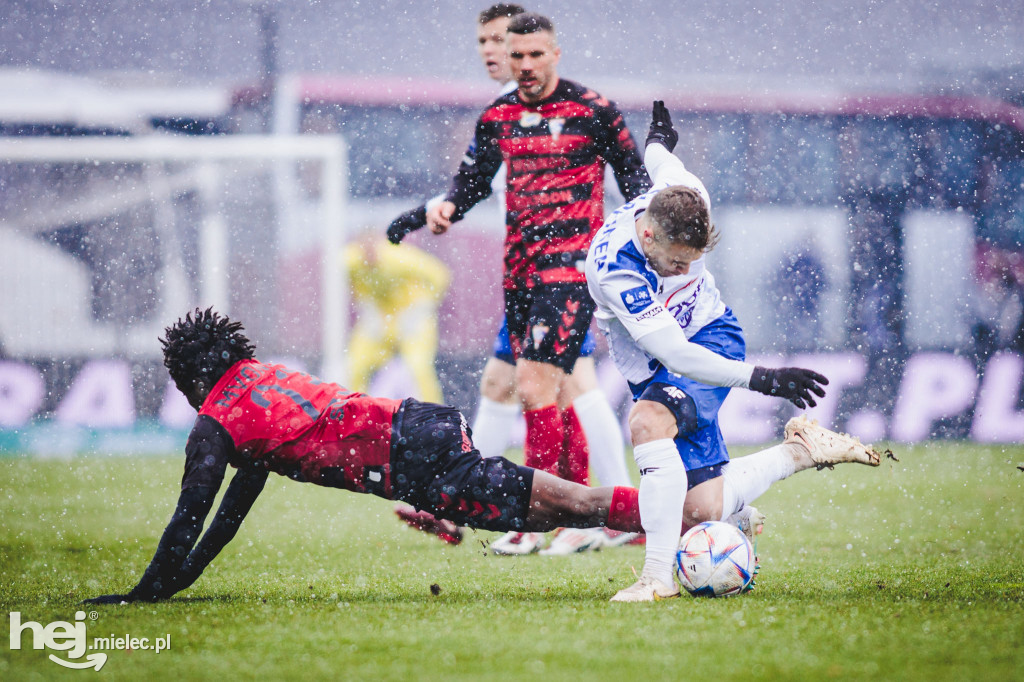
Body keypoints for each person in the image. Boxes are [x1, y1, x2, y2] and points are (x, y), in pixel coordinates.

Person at [82, 308, 649, 605]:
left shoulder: (216, 423)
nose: (183, 394)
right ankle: (686, 515)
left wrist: (149, 589)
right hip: (420, 423)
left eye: (180, 380)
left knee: (574, 506)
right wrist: (180, 581)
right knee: (568, 509)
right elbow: (231, 508)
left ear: (192, 374)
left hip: (415, 462)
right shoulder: (257, 381)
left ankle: (693, 517)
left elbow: (192, 514)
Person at [585, 102, 884, 602]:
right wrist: (762, 378)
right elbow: (674, 355)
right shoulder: (615, 268)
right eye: (676, 263)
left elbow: (662, 161)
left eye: (693, 262)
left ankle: (656, 579)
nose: (683, 273)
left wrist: (659, 137)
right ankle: (801, 452)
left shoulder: (687, 196)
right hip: (673, 358)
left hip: (712, 337)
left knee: (647, 421)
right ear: (648, 234)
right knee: (701, 508)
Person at [388, 6, 639, 556]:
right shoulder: (497, 117)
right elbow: (472, 180)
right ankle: (598, 511)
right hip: (521, 276)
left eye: (524, 50)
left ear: (554, 52)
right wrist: (437, 210)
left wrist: (639, 245)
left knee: (536, 387)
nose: (510, 58)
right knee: (541, 387)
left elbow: (637, 181)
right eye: (505, 49)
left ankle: (545, 515)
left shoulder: (592, 109)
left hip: (570, 272)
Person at [344, 231, 450, 403]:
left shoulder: (399, 257)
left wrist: (422, 307)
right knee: (355, 366)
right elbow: (336, 278)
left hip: (412, 316)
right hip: (379, 318)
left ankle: (434, 419)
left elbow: (439, 275)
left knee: (418, 368)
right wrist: (367, 307)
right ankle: (356, 415)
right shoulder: (349, 260)